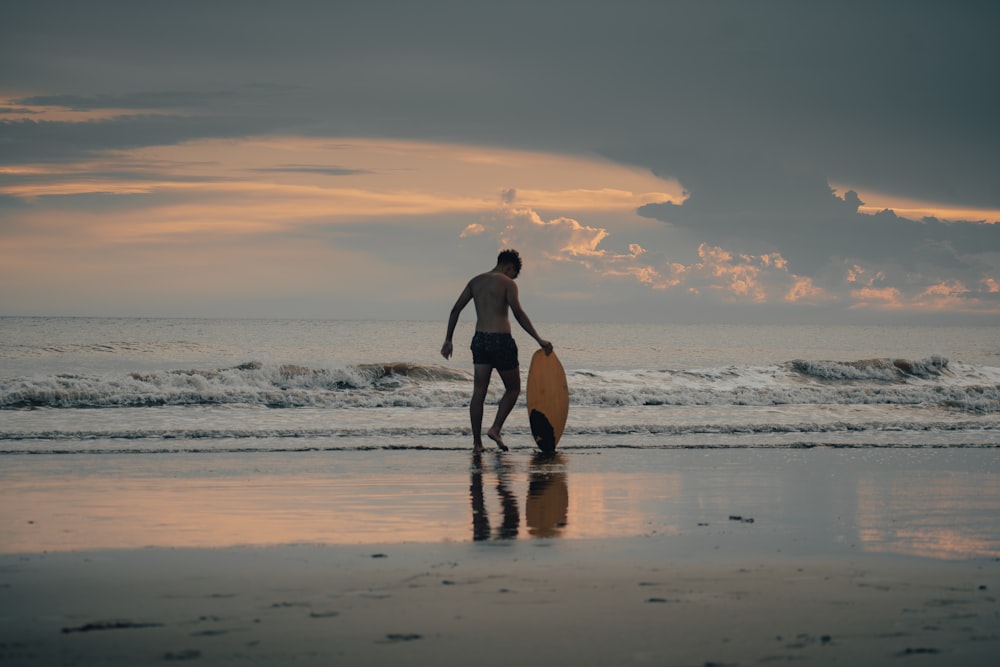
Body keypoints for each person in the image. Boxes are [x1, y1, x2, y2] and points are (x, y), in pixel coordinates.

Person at [441, 249, 553, 452]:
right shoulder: (508, 283)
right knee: (513, 389)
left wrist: (448, 340)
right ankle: (495, 428)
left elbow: (455, 310)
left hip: (480, 340)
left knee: (479, 392)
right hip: (501, 341)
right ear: (510, 267)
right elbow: (518, 313)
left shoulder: (475, 281)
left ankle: (477, 444)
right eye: (513, 273)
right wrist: (539, 339)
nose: (512, 277)